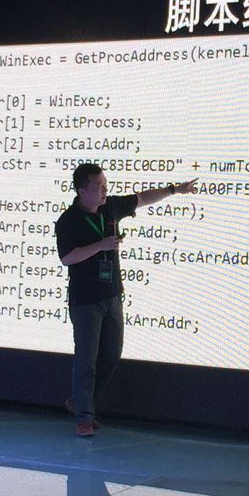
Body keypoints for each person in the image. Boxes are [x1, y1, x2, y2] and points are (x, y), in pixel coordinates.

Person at [55, 163, 197, 436]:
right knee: (86, 360)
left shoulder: (110, 207)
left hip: (112, 296)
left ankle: (79, 402)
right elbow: (67, 257)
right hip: (86, 300)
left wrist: (174, 190)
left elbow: (142, 198)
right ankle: (85, 417)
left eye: (105, 184)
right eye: (98, 186)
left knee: (111, 354)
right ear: (82, 191)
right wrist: (101, 245)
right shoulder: (68, 220)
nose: (104, 190)